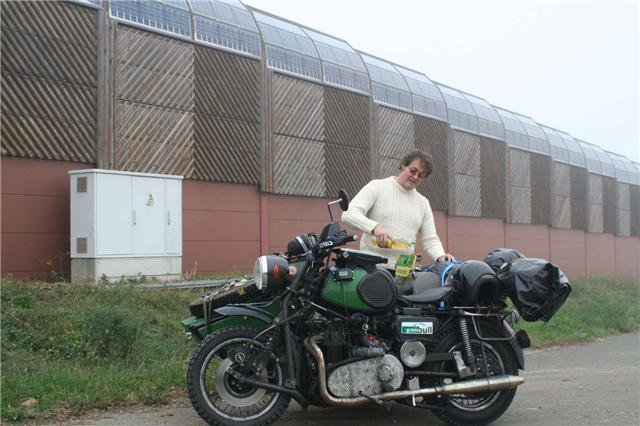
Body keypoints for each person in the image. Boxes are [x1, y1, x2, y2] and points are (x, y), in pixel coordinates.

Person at [341, 149, 455, 294]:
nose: (415, 177)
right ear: (403, 165)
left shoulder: (423, 203)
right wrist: (375, 228)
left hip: (404, 274)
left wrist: (441, 256)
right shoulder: (377, 187)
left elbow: (430, 239)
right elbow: (348, 214)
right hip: (371, 270)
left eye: (421, 175)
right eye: (413, 171)